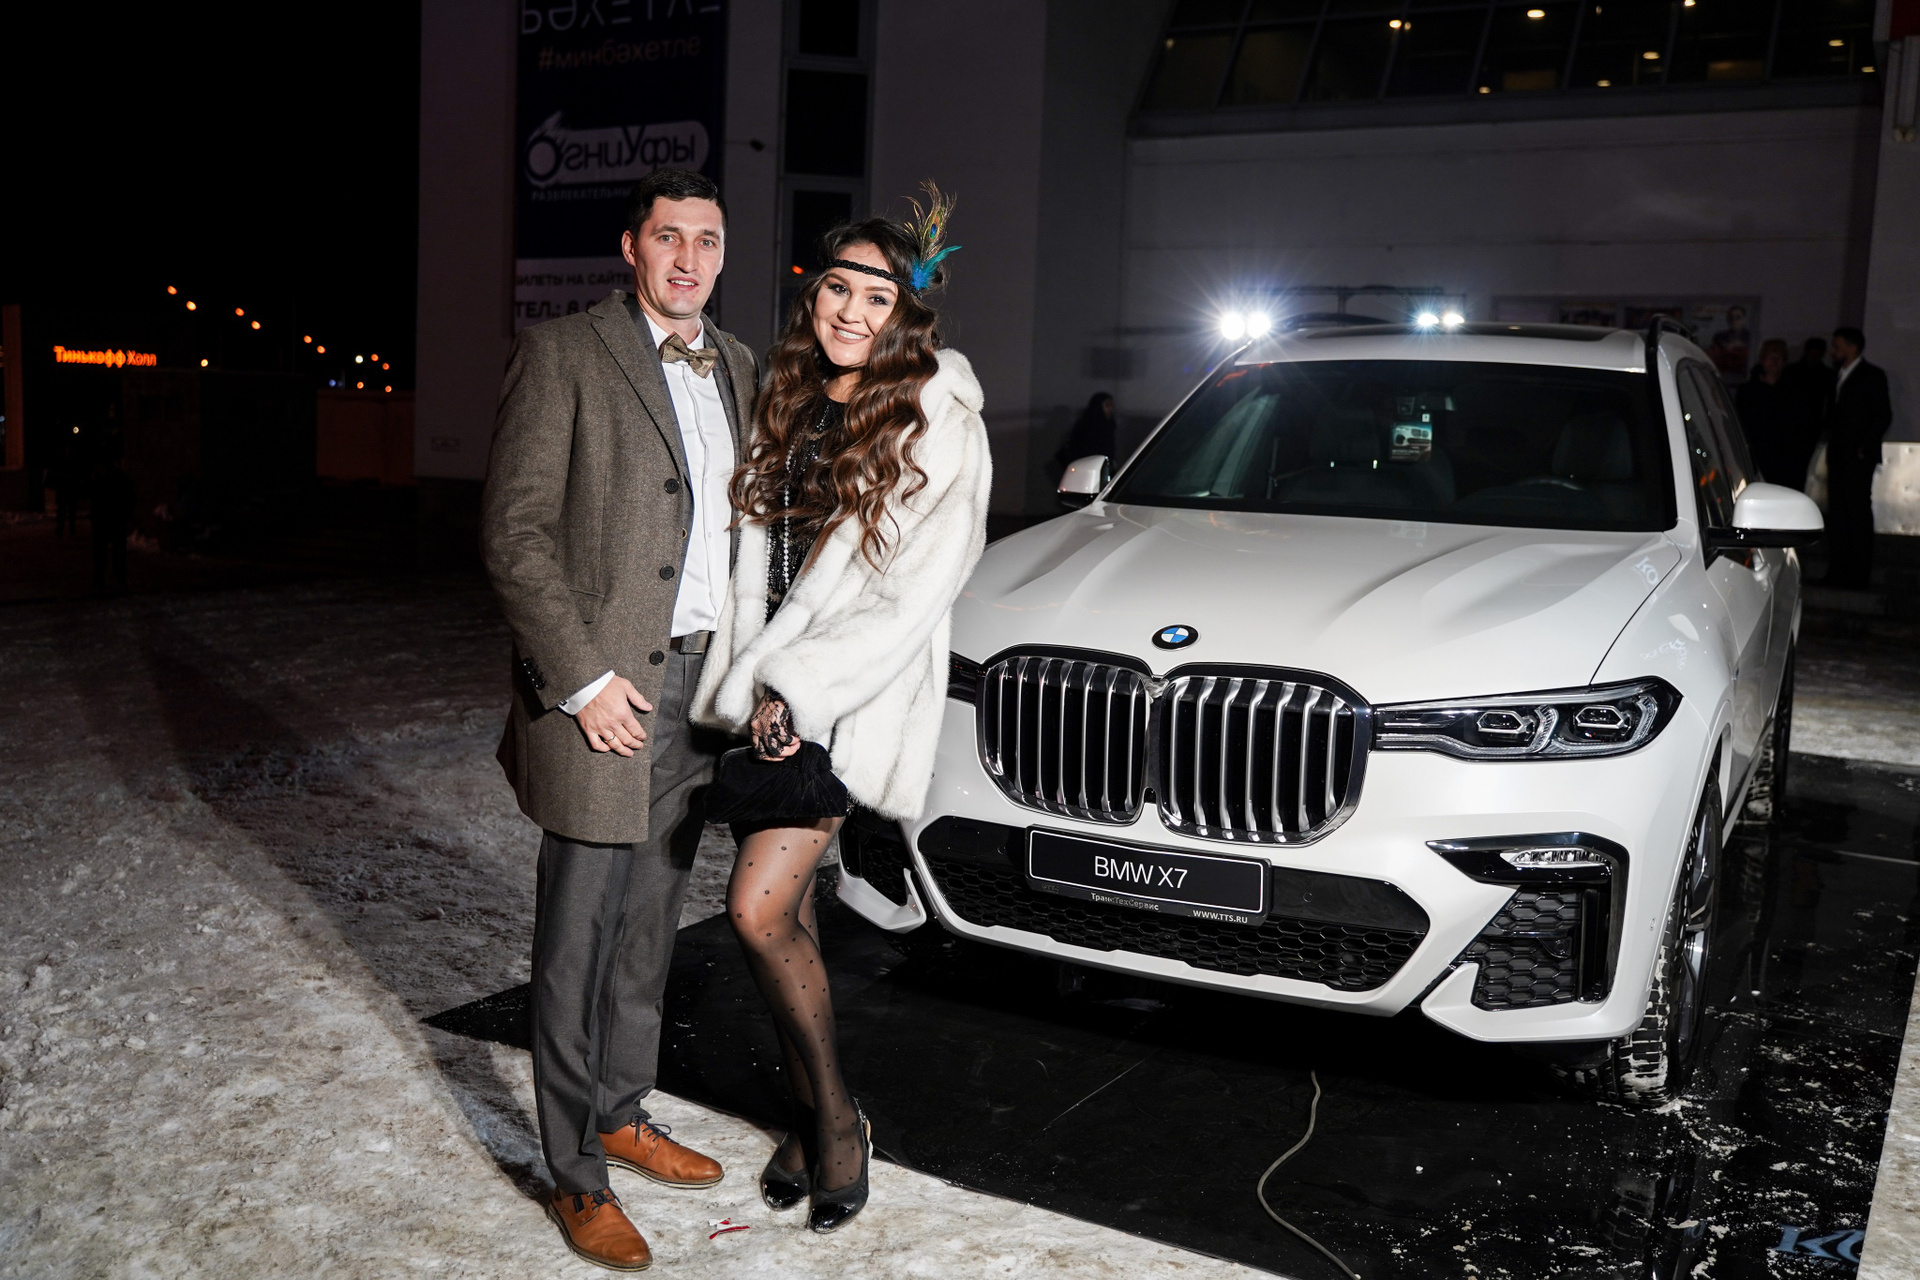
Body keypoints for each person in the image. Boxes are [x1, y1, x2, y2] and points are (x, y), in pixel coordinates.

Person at [692, 191, 991, 1235]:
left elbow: (914, 594)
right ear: (811, 293)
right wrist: (753, 684)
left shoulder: (938, 419)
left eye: (876, 297)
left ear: (905, 313)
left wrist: (801, 688)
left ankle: (835, 1121)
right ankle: (806, 1116)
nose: (851, 312)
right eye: (837, 288)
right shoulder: (788, 397)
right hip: (761, 697)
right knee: (792, 917)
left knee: (755, 910)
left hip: (842, 699)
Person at [480, 168, 758, 1272]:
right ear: (632, 247)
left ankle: (620, 1110)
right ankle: (574, 1174)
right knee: (576, 940)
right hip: (605, 694)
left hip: (702, 689)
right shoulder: (563, 353)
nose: (689, 258)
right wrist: (582, 680)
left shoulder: (738, 365)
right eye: (669, 237)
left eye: (708, 239)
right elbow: (514, 534)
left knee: (651, 926)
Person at [1820, 326, 1893, 588]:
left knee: (1856, 512)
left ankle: (1859, 573)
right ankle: (1838, 570)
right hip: (1839, 454)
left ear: (1852, 347)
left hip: (1858, 456)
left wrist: (1865, 446)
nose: (1833, 351)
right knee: (1838, 512)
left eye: (1837, 346)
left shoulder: (1871, 375)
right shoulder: (1836, 375)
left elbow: (1882, 414)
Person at [1735, 339, 1796, 484]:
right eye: (1771, 357)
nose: (1775, 361)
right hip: (1754, 457)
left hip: (1783, 461)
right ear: (1762, 359)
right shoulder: (1747, 391)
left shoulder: (1793, 392)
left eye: (1779, 357)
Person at [89, 448, 135, 591]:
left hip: (113, 520)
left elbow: (129, 497)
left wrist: (125, 514)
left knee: (114, 551)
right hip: (106, 520)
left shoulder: (114, 479)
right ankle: (104, 578)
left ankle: (116, 577)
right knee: (104, 552)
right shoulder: (100, 479)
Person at [1048, 391, 1116, 481]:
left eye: (1111, 406)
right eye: (1107, 405)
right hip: (1086, 472)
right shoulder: (1087, 426)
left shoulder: (1109, 425)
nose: (1110, 409)